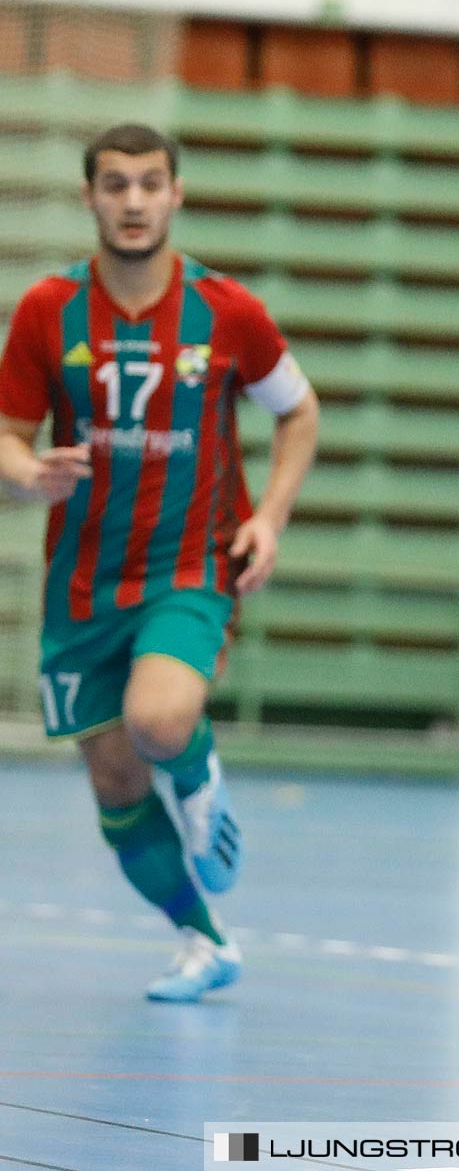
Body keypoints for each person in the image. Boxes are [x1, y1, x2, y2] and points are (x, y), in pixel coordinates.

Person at [0, 123, 320, 1003]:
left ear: (175, 195)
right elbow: (8, 438)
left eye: (149, 183)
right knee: (113, 779)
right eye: (115, 184)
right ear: (90, 197)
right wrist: (27, 472)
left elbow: (299, 412)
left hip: (191, 564)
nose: (133, 200)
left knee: (161, 721)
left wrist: (273, 518)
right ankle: (202, 939)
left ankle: (201, 777)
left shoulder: (227, 310)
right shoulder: (45, 312)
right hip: (82, 584)